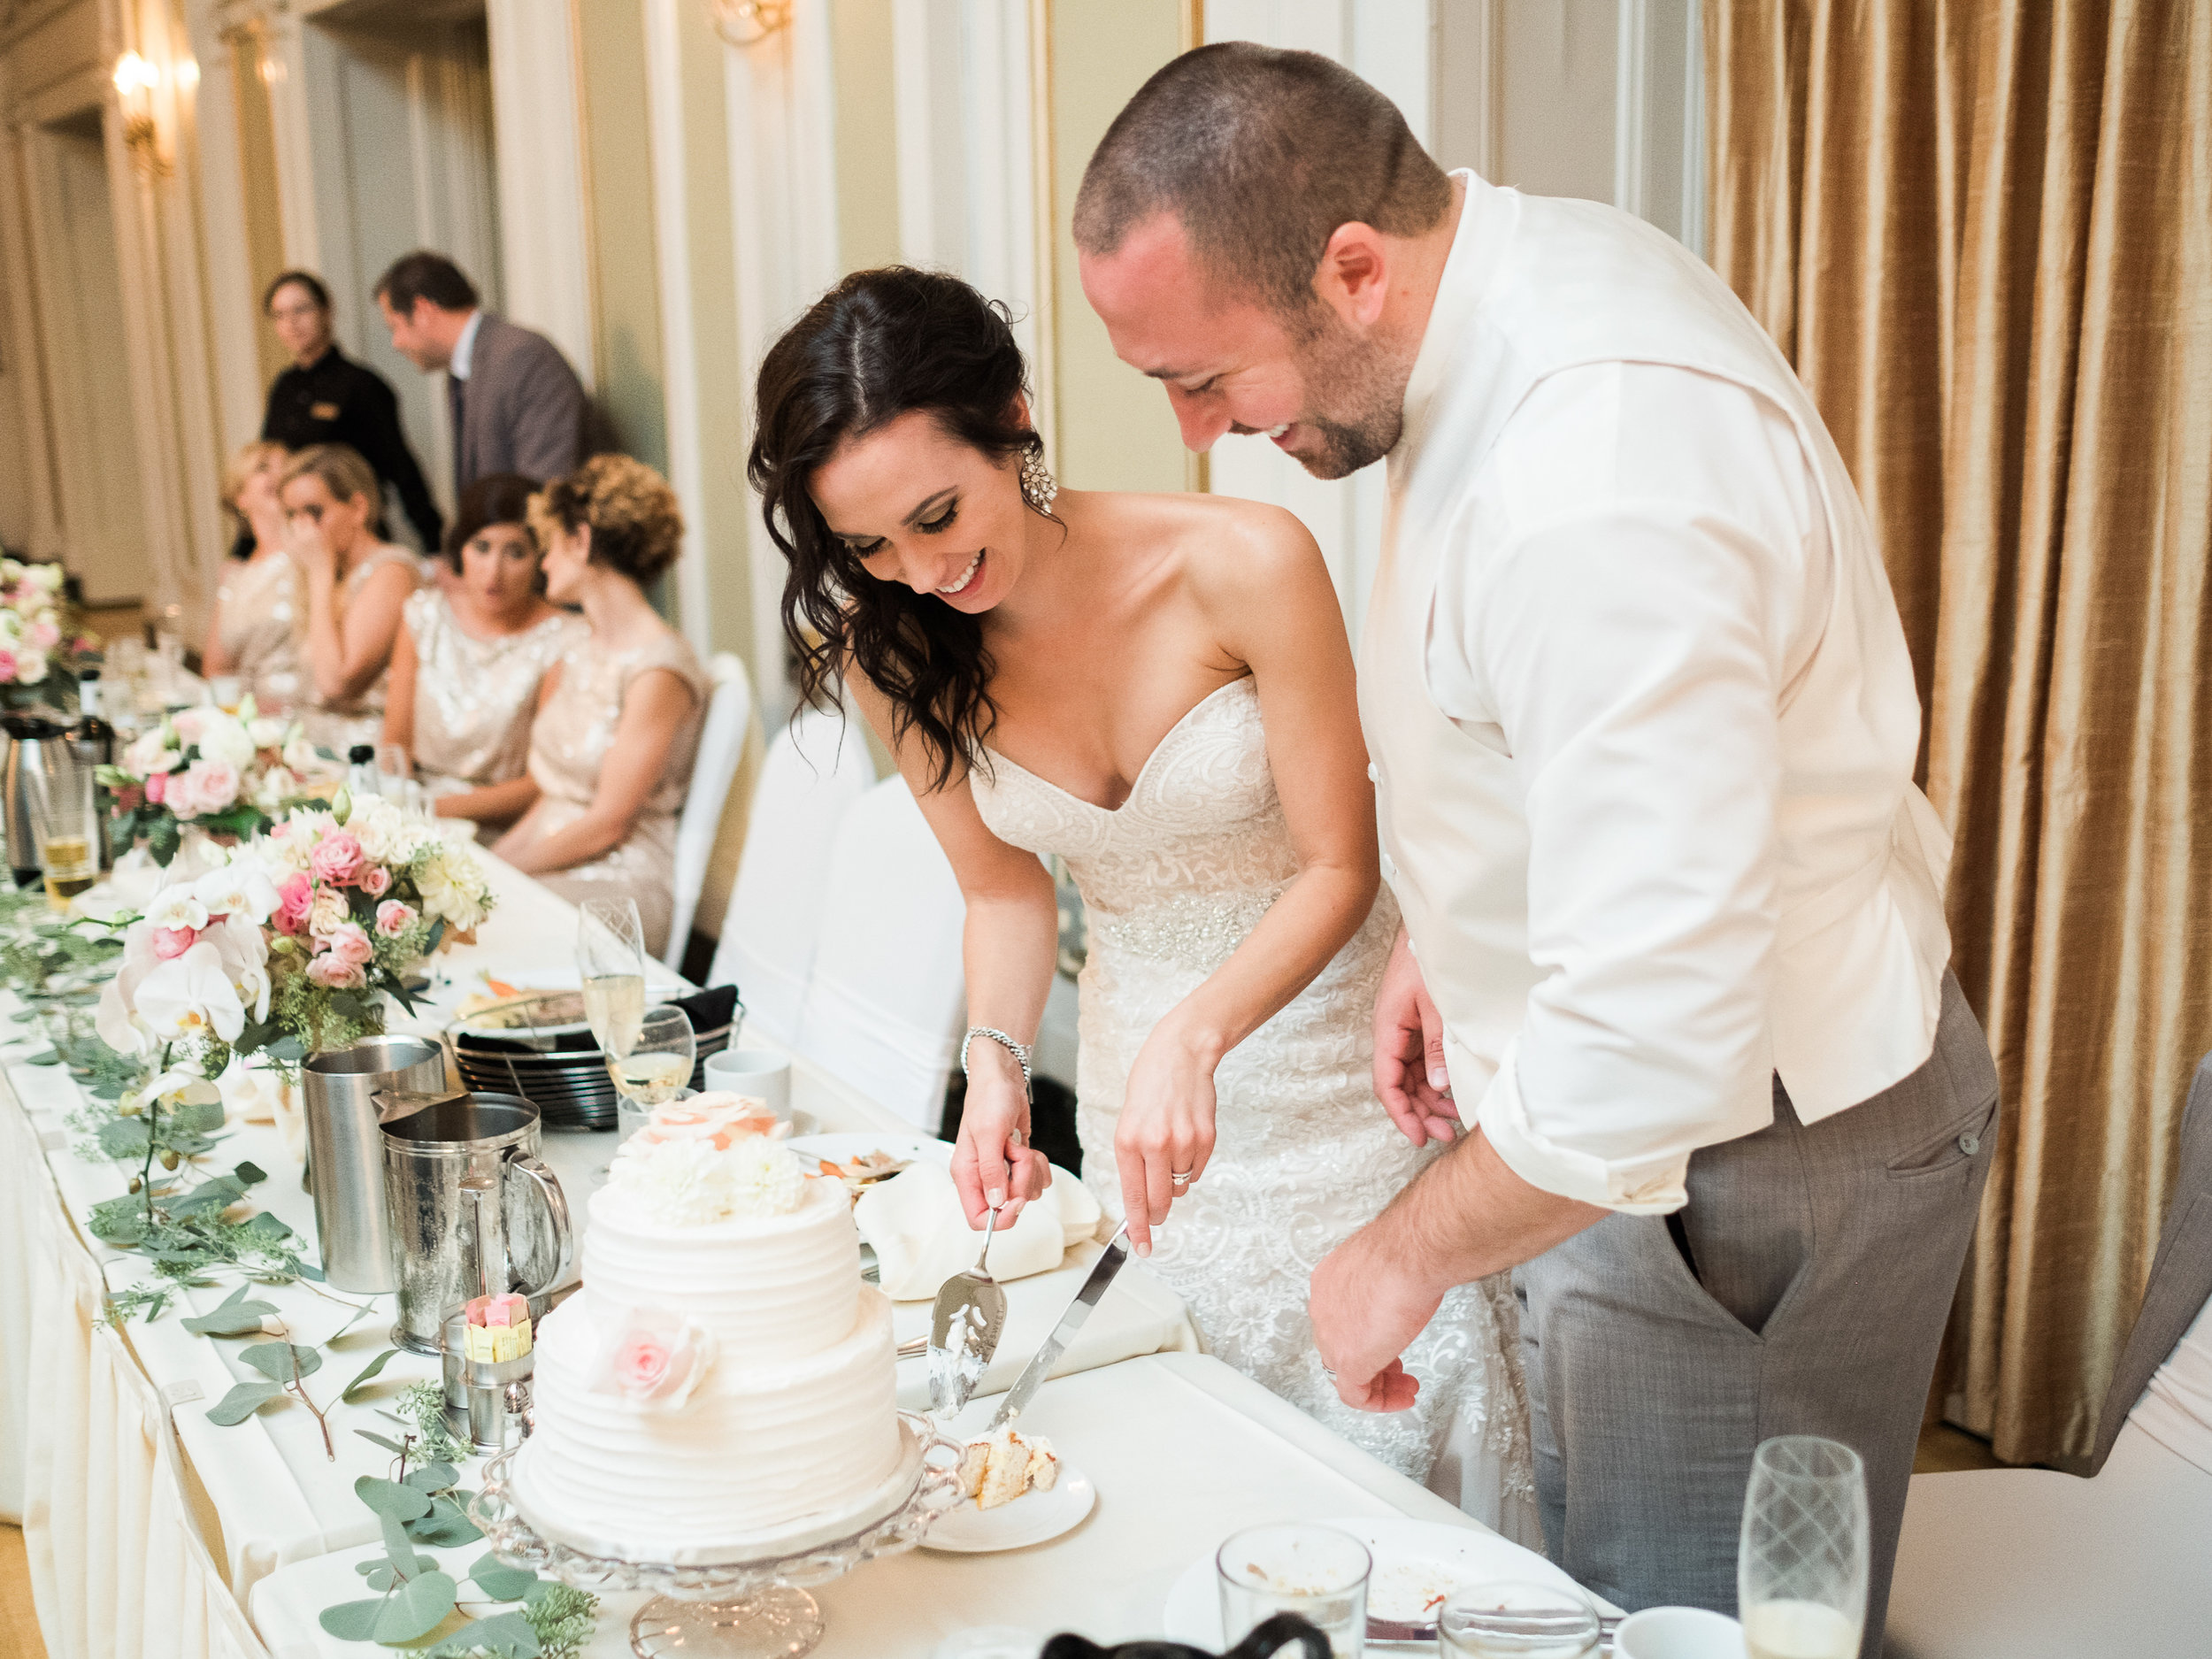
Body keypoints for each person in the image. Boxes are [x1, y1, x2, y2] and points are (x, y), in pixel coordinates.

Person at [1071, 43, 1998, 1651]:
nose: (1200, 432)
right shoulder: (1501, 281)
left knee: (1676, 1624)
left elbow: (1651, 1043)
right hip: (1665, 1141)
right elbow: (1573, 734)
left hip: (1745, 1178)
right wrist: (1454, 923)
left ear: (1351, 268)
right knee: (1588, 1585)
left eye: (1206, 379)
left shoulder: (1598, 471)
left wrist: (1394, 1254)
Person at [747, 266, 1533, 1525]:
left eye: (939, 512)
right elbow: (1003, 892)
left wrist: (1202, 1028)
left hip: (1338, 1078)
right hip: (1138, 1098)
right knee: (1188, 1486)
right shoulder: (889, 647)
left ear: (1013, 419)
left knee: (1392, 1480)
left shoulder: (1242, 561)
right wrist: (997, 1063)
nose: (919, 569)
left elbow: (1345, 859)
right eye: (869, 545)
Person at [493, 456, 706, 958]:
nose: (543, 563)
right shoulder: (580, 650)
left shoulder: (659, 668)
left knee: (490, 927)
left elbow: (610, 822)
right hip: (558, 858)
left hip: (622, 881)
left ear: (581, 541)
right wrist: (478, 868)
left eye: (549, 547)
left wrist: (499, 881)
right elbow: (556, 798)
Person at [382, 473, 584, 834]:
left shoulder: (565, 639)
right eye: (482, 547)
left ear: (541, 557)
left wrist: (433, 809)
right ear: (460, 548)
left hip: (503, 827)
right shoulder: (424, 615)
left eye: (516, 552)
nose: (494, 572)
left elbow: (541, 783)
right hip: (412, 819)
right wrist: (392, 815)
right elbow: (394, 741)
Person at [372, 250, 596, 497]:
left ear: (423, 310)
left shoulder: (523, 358)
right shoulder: (464, 371)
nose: (396, 343)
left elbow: (546, 489)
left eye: (395, 327)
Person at [260, 270, 443, 553]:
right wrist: (245, 548)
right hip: (299, 535)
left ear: (326, 311)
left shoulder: (361, 384)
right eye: (280, 315)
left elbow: (402, 469)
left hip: (354, 531)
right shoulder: (284, 387)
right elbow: (268, 467)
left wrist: (436, 546)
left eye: (301, 310)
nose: (291, 323)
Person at [277, 444, 420, 751]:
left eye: (314, 512)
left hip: (361, 750)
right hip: (311, 741)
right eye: (292, 515)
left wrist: (319, 574)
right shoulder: (335, 572)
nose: (304, 529)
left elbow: (336, 686)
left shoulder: (391, 570)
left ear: (358, 508)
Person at [204, 440, 308, 713]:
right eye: (263, 468)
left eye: (287, 467)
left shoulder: (310, 555)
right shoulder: (236, 575)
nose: (279, 474)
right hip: (252, 714)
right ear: (240, 497)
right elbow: (215, 668)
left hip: (305, 709)